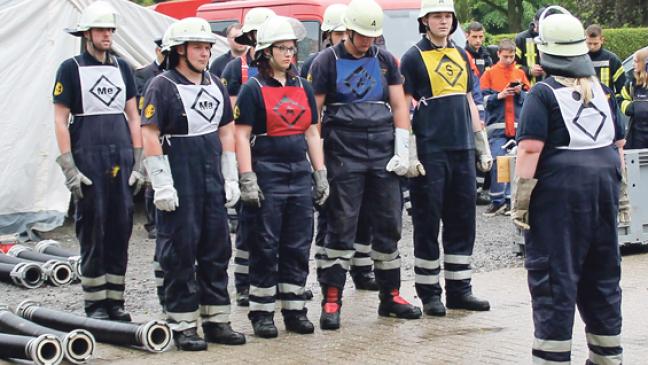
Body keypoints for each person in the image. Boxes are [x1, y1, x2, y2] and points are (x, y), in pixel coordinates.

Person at [511, 7, 625, 364]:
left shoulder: (542, 95)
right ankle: (608, 357)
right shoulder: (603, 92)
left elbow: (530, 150)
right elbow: (618, 147)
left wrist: (520, 202)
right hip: (603, 190)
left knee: (554, 279)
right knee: (602, 276)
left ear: (546, 51)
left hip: (559, 198)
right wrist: (620, 198)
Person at [311, 0, 422, 331]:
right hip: (342, 153)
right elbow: (314, 116)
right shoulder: (325, 62)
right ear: (347, 31)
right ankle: (332, 299)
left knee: (389, 223)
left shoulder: (386, 60)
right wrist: (316, 164)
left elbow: (399, 105)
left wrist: (404, 150)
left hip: (382, 153)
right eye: (360, 36)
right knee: (340, 225)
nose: (366, 42)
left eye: (372, 37)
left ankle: (390, 297)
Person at [140, 17, 245, 351]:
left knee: (216, 248)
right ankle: (183, 323)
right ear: (180, 50)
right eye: (199, 47)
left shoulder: (215, 83)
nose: (205, 52)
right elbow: (150, 133)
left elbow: (227, 128)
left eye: (207, 47)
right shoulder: (161, 86)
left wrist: (230, 175)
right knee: (180, 251)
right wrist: (161, 183)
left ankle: (216, 320)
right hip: (178, 172)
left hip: (210, 172)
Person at [234, 15, 328, 338]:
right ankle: (261, 313)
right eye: (282, 48)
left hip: (298, 175)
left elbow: (312, 134)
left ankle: (294, 308)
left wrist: (320, 173)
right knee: (265, 244)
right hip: (267, 174)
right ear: (266, 52)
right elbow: (241, 136)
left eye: (292, 48)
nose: (289, 54)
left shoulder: (304, 86)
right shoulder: (252, 88)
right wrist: (247, 178)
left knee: (298, 244)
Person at [400, 0, 492, 317]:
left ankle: (460, 290)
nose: (443, 21)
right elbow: (404, 107)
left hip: (462, 148)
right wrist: (408, 152)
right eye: (437, 16)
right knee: (427, 222)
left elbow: (469, 98)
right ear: (424, 20)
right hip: (430, 151)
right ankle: (429, 293)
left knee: (463, 220)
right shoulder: (412, 57)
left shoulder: (461, 53)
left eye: (447, 16)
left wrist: (481, 144)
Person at [53, 1, 144, 322]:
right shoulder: (70, 68)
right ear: (87, 33)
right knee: (92, 227)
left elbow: (134, 117)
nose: (108, 35)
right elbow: (60, 119)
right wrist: (69, 167)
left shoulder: (122, 67)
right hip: (87, 153)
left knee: (120, 227)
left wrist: (138, 160)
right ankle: (94, 303)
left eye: (110, 29)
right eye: (102, 29)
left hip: (120, 154)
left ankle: (115, 301)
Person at [302, 3, 379, 291]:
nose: (339, 38)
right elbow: (314, 114)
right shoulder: (318, 63)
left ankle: (362, 269)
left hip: (361, 151)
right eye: (335, 34)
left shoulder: (368, 58)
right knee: (332, 215)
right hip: (332, 148)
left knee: (363, 216)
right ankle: (328, 271)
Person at [220, 7, 276, 307]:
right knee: (248, 222)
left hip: (277, 150)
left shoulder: (288, 68)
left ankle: (277, 280)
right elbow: (230, 119)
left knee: (278, 222)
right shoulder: (234, 69)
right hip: (249, 152)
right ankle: (244, 283)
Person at [480, 39, 530, 216]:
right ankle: (498, 200)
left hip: (517, 128)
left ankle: (510, 201)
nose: (509, 59)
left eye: (512, 56)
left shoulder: (520, 73)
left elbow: (530, 99)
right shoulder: (489, 74)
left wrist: (520, 93)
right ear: (498, 54)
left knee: (515, 163)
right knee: (498, 162)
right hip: (498, 128)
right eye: (505, 56)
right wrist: (499, 96)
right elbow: (482, 100)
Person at [135, 37, 167, 241]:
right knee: (151, 178)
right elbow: (140, 103)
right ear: (157, 51)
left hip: (171, 132)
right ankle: (152, 222)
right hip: (151, 127)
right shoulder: (143, 74)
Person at [299, 4, 347, 79]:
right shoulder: (312, 64)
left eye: (348, 32)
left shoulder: (366, 62)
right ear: (328, 35)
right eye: (339, 34)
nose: (345, 38)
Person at [586, 24, 626, 97]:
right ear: (585, 39)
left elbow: (622, 88)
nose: (592, 46)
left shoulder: (612, 59)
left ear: (602, 40)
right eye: (589, 43)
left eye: (595, 43)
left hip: (607, 104)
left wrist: (615, 102)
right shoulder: (580, 58)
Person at [620, 47, 648, 149]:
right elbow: (621, 100)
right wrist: (632, 107)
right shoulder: (631, 83)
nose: (633, 64)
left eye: (636, 61)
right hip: (637, 137)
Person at [515, 7, 546, 86]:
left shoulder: (553, 38)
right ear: (534, 21)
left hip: (548, 86)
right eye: (538, 24)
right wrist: (529, 71)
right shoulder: (521, 38)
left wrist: (548, 70)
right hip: (526, 87)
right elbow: (513, 65)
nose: (538, 28)